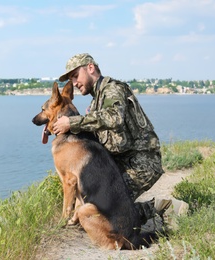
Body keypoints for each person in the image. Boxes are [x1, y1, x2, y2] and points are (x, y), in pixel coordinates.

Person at [53, 53, 186, 225]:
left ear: (90, 68)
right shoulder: (96, 102)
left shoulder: (113, 89)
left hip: (142, 163)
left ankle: (162, 207)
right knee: (93, 204)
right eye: (71, 79)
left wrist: (72, 122)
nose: (75, 83)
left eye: (76, 76)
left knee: (107, 207)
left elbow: (114, 117)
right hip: (121, 163)